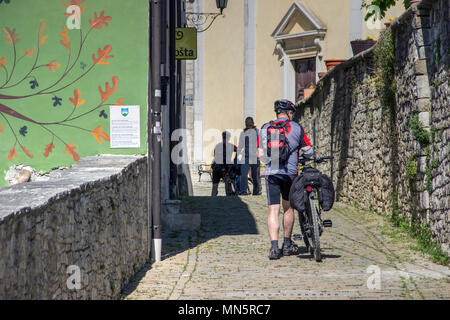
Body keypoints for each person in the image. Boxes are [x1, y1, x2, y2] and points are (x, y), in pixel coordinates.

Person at [258, 99, 314, 260]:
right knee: (288, 208)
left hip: (272, 173)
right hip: (290, 174)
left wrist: (270, 161)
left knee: (273, 210)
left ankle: (274, 248)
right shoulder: (296, 127)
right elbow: (308, 150)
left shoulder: (265, 128)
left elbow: (260, 154)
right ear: (289, 113)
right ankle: (287, 243)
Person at [237, 117, 261, 196]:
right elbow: (240, 145)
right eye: (247, 122)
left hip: (255, 156)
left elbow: (261, 144)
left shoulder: (257, 132)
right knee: (243, 174)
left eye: (249, 122)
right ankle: (243, 191)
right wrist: (237, 155)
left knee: (255, 176)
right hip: (246, 156)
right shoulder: (243, 133)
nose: (248, 123)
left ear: (253, 123)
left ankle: (256, 192)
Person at [211, 131, 237, 196]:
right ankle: (228, 197)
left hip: (216, 167)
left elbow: (215, 155)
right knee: (228, 183)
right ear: (229, 137)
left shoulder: (217, 146)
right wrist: (235, 160)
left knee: (215, 185)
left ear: (222, 137)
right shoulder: (231, 146)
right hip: (225, 168)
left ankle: (212, 200)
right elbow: (239, 150)